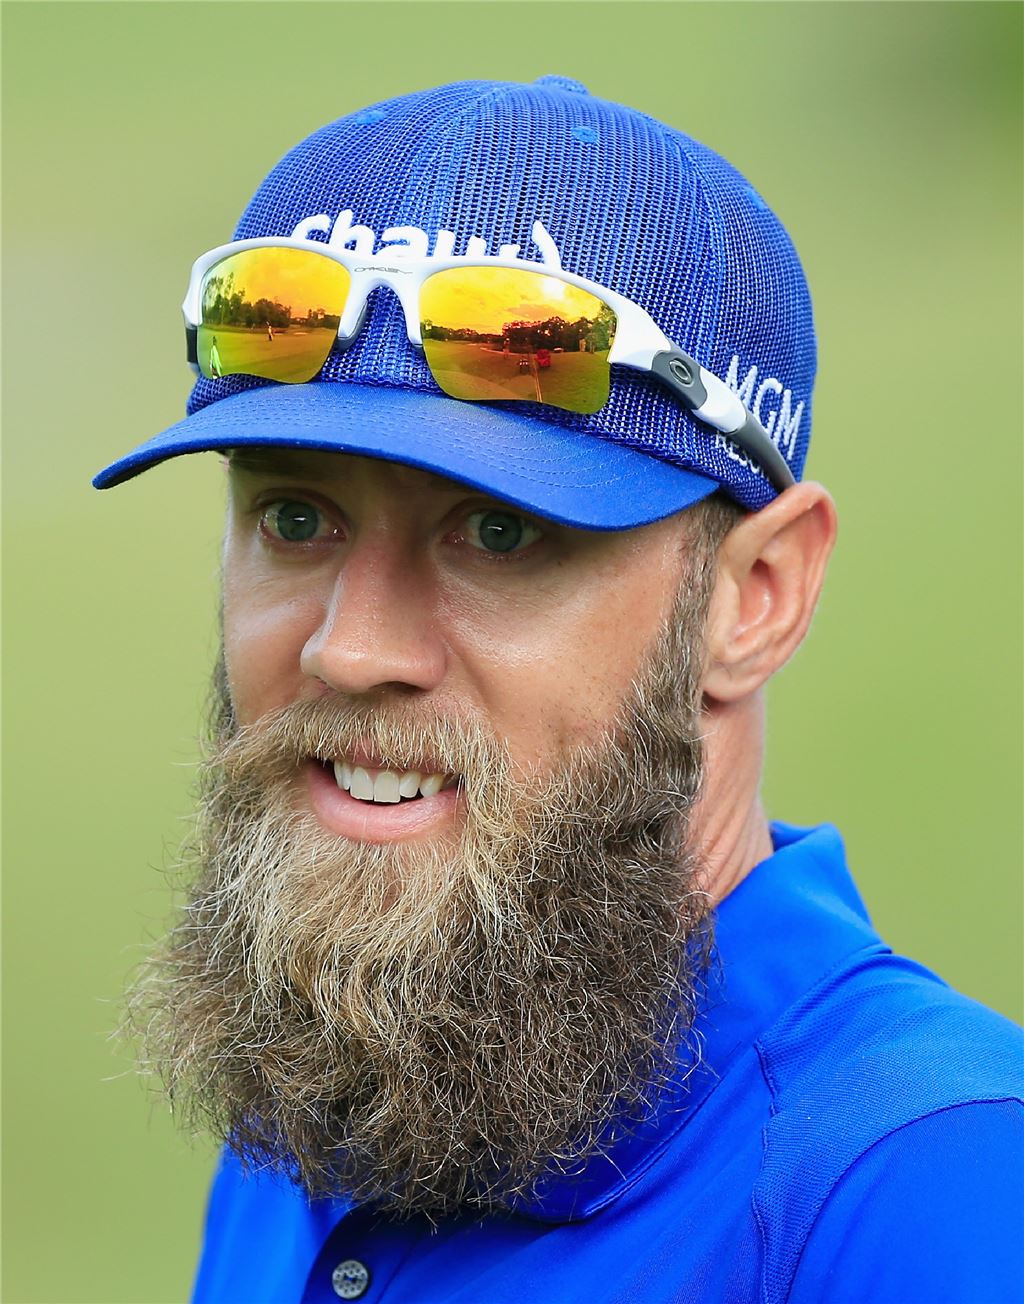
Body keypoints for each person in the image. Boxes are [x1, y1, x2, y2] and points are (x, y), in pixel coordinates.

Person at [93, 77, 1023, 1304]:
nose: (350, 648)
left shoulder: (928, 1188)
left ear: (754, 596)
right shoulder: (349, 1089)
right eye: (296, 516)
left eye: (498, 531)